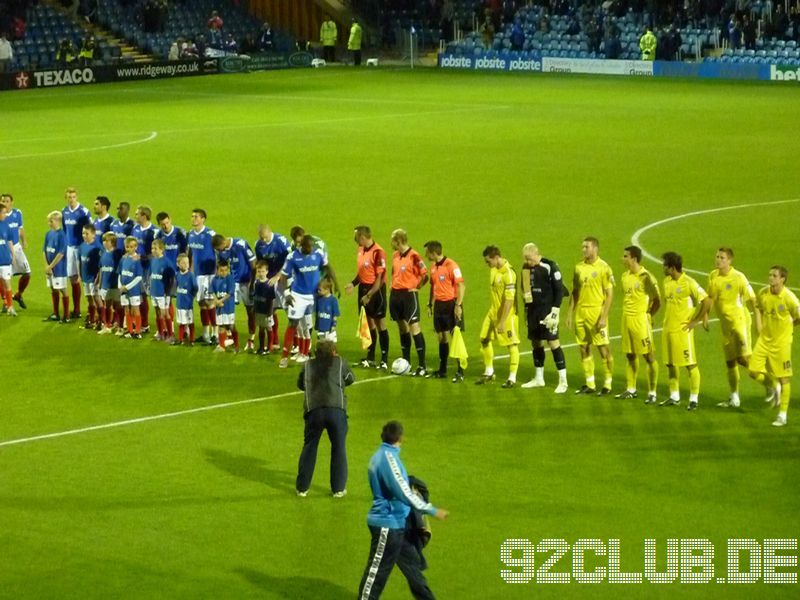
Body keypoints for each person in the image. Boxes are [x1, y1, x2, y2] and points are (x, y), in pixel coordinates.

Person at [358, 420, 448, 600]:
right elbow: (403, 492)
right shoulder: (388, 459)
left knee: (413, 569)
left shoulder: (381, 455)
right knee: (376, 574)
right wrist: (431, 510)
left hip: (398, 525)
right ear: (400, 438)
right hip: (387, 525)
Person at [295, 339, 355, 498]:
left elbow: (301, 385)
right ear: (334, 352)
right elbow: (350, 379)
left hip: (314, 410)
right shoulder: (340, 362)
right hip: (336, 409)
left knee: (309, 447)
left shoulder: (307, 365)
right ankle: (338, 489)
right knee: (338, 448)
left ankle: (302, 488)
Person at [748, 266, 800, 427]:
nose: (770, 278)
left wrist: (791, 326)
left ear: (782, 279)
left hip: (781, 343)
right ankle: (772, 385)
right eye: (770, 274)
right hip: (764, 340)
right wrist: (759, 326)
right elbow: (758, 307)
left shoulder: (789, 298)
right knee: (753, 371)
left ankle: (782, 415)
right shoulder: (764, 292)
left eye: (774, 275)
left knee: (784, 378)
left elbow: (798, 316)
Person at [706, 248, 756, 408]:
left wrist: (761, 321)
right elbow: (710, 298)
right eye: (717, 256)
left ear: (729, 261)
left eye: (722, 257)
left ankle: (771, 383)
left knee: (744, 359)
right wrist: (705, 315)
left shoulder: (739, 277)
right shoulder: (713, 275)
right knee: (730, 362)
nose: (718, 260)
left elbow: (753, 299)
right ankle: (734, 397)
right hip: (725, 325)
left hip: (740, 322)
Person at [660, 251, 711, 411]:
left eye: (665, 265)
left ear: (673, 268)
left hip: (683, 331)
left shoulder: (689, 282)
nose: (663, 268)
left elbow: (707, 300)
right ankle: (674, 396)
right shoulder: (666, 282)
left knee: (690, 364)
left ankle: (694, 399)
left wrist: (696, 320)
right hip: (667, 329)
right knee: (670, 364)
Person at [566, 237, 615, 395]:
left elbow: (609, 295)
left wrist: (603, 317)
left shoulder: (604, 268)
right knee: (583, 347)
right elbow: (575, 292)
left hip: (596, 313)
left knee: (603, 349)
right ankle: (590, 383)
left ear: (595, 248)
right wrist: (569, 314)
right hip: (581, 313)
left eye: (586, 247)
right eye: (582, 247)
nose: (583, 250)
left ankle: (608, 384)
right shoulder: (579, 267)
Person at [519, 243, 568, 393]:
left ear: (536, 253)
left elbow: (559, 290)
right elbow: (525, 289)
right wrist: (527, 311)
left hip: (548, 310)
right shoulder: (526, 268)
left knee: (553, 342)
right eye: (526, 259)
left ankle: (563, 381)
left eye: (529, 259)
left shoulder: (550, 266)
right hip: (534, 311)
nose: (528, 262)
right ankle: (539, 378)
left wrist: (555, 312)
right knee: (536, 343)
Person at [617, 245, 661, 403]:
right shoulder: (624, 276)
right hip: (626, 319)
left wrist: (649, 314)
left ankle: (652, 392)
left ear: (634, 258)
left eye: (625, 256)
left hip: (640, 321)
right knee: (630, 354)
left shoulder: (646, 277)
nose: (622, 259)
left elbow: (657, 300)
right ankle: (631, 389)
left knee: (649, 356)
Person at [278, 234, 328, 367]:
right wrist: (287, 293)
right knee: (293, 324)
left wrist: (330, 285)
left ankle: (306, 353)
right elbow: (283, 277)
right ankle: (284, 357)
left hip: (314, 296)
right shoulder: (293, 257)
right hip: (298, 296)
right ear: (302, 246)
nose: (311, 249)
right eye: (308, 247)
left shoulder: (318, 253)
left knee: (310, 325)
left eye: (312, 246)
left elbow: (327, 268)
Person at [345, 225, 389, 369]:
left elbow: (380, 278)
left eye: (356, 237)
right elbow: (363, 272)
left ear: (363, 237)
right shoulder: (361, 249)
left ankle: (384, 359)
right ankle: (370, 358)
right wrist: (353, 283)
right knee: (368, 324)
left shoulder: (378, 252)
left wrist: (369, 295)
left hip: (376, 292)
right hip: (364, 289)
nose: (355, 240)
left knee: (380, 324)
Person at [477, 245, 520, 388]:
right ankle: (489, 372)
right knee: (484, 339)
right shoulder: (493, 270)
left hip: (506, 316)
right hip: (493, 313)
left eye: (488, 261)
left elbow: (509, 300)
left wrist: (502, 322)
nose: (487, 265)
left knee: (511, 345)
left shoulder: (509, 273)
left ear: (496, 258)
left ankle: (512, 378)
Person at [423, 240, 466, 382]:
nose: (426, 255)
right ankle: (442, 370)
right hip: (439, 305)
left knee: (456, 337)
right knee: (441, 337)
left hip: (451, 304)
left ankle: (461, 370)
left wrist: (458, 305)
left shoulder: (451, 265)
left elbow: (461, 286)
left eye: (427, 252)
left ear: (434, 252)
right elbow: (432, 286)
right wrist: (430, 304)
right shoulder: (433, 266)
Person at [389, 229, 429, 377]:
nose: (391, 243)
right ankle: (406, 362)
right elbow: (394, 272)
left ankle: (422, 365)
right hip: (395, 295)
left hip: (409, 295)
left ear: (398, 241)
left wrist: (417, 287)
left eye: (392, 240)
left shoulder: (414, 256)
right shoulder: (395, 255)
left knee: (414, 328)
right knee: (402, 328)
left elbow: (425, 275)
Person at [213, 233, 257, 352]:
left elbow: (253, 264)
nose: (218, 251)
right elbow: (221, 267)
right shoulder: (221, 251)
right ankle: (230, 338)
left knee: (250, 311)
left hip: (246, 282)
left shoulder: (241, 244)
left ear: (222, 243)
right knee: (227, 309)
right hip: (233, 282)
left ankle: (251, 339)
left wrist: (252, 283)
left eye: (218, 248)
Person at [255, 224, 291, 351]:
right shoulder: (258, 244)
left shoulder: (281, 241)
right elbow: (260, 263)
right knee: (271, 310)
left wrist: (279, 275)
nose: (263, 240)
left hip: (283, 278)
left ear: (270, 232)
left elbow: (289, 260)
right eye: (261, 238)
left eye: (265, 237)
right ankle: (274, 340)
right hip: (269, 281)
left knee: (289, 309)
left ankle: (296, 342)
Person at [187, 208, 217, 344]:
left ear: (203, 219)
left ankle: (215, 334)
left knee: (210, 303)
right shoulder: (191, 234)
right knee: (201, 304)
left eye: (197, 217)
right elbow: (191, 254)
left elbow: (219, 252)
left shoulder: (210, 234)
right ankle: (205, 335)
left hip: (209, 274)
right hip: (197, 274)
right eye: (192, 216)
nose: (194, 219)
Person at [62, 187, 92, 320]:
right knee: (73, 278)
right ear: (66, 198)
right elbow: (64, 230)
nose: (71, 199)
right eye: (69, 197)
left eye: (73, 197)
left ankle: (93, 310)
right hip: (69, 248)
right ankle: (77, 309)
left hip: (81, 248)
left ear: (77, 197)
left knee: (85, 279)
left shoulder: (84, 212)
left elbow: (91, 229)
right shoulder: (64, 211)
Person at [0, 194, 31, 310]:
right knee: (3, 276)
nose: (5, 203)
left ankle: (18, 295)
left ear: (11, 202)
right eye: (3, 201)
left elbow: (20, 228)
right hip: (4, 248)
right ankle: (5, 301)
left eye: (7, 201)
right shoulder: (1, 216)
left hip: (17, 248)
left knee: (27, 273)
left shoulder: (17, 213)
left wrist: (24, 241)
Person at [132, 205, 156, 334]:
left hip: (148, 268)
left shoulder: (153, 232)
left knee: (147, 295)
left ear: (144, 216)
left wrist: (142, 257)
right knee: (139, 295)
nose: (135, 216)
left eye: (137, 214)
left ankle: (146, 324)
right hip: (136, 267)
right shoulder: (135, 229)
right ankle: (142, 323)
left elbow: (155, 253)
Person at [42, 211, 70, 322]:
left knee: (63, 290)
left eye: (51, 221)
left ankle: (66, 316)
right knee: (53, 289)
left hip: (59, 269)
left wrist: (51, 266)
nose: (49, 223)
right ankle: (56, 314)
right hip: (49, 268)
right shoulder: (48, 234)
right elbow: (44, 250)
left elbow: (61, 254)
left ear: (57, 221)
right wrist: (46, 266)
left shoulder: (62, 235)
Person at [148, 238, 175, 342]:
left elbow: (172, 279)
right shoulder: (153, 260)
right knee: (158, 313)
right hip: (154, 292)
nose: (153, 250)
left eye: (156, 248)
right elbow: (151, 275)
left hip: (163, 293)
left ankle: (170, 335)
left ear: (162, 249)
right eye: (152, 248)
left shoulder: (167, 262)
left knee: (165, 313)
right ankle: (160, 333)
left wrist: (168, 293)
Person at [96, 232, 122, 335]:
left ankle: (120, 326)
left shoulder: (117, 254)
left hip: (115, 284)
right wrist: (99, 282)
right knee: (107, 305)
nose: (104, 242)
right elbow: (101, 269)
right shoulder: (103, 253)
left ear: (112, 242)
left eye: (106, 241)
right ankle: (107, 325)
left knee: (118, 306)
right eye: (103, 240)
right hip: (105, 285)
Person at [210, 259, 239, 353]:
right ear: (217, 270)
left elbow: (230, 293)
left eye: (226, 270)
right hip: (219, 308)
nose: (224, 272)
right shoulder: (214, 280)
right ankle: (222, 347)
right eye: (221, 270)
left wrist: (220, 301)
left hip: (228, 308)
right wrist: (216, 301)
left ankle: (236, 345)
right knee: (221, 326)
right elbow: (212, 292)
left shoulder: (230, 278)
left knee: (231, 326)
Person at [118, 236, 144, 339]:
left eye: (132, 247)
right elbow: (119, 273)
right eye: (127, 247)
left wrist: (127, 287)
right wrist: (120, 286)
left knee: (136, 310)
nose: (129, 249)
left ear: (136, 247)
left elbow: (139, 277)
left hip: (133, 290)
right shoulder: (123, 258)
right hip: (123, 289)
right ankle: (129, 331)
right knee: (127, 310)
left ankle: (137, 331)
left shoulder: (137, 259)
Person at [77, 224, 102, 329]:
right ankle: (92, 320)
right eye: (83, 233)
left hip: (94, 279)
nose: (84, 235)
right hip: (85, 278)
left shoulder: (97, 248)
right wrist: (79, 275)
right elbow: (79, 261)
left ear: (93, 235)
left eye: (87, 233)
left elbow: (101, 266)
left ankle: (102, 321)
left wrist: (98, 279)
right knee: (89, 299)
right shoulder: (82, 246)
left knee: (97, 299)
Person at [173, 253, 198, 346]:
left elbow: (195, 287)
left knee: (190, 322)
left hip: (187, 304)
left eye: (187, 262)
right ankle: (180, 339)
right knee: (181, 323)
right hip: (179, 303)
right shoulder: (178, 275)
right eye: (183, 263)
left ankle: (192, 339)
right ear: (178, 264)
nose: (186, 264)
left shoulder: (191, 275)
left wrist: (191, 296)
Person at [252, 261, 275, 355]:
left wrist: (270, 312)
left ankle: (269, 348)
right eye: (259, 271)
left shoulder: (269, 284)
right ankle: (261, 347)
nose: (260, 273)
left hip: (266, 311)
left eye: (262, 271)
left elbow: (271, 299)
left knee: (269, 328)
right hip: (259, 310)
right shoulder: (256, 283)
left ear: (267, 271)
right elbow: (255, 297)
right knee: (261, 328)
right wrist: (254, 309)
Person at [0, 204, 17, 316]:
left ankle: (10, 307)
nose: (5, 215)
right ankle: (5, 303)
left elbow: (10, 241)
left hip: (5, 259)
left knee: (7, 282)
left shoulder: (6, 225)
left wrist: (13, 255)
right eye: (3, 212)